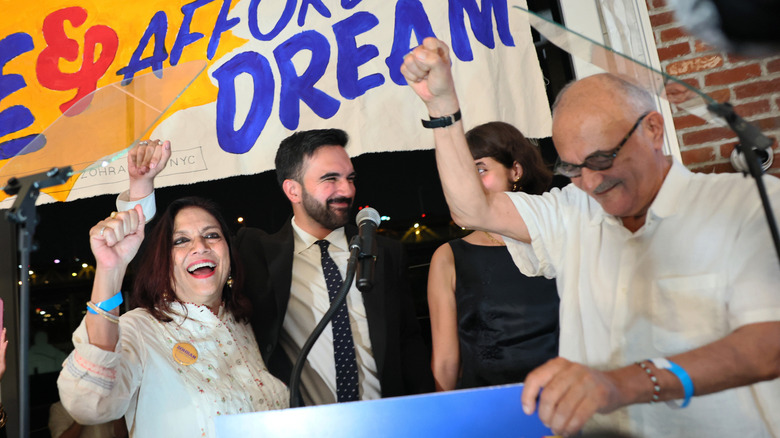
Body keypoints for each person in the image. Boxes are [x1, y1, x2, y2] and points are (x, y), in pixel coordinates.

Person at [401, 37, 780, 437]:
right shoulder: (571, 210)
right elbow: (471, 209)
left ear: (653, 129)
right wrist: (442, 108)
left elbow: (767, 343)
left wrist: (625, 383)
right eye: (574, 168)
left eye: (602, 159)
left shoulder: (748, 205)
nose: (593, 182)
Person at [118, 133, 434, 406]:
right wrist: (141, 188)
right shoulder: (256, 253)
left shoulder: (385, 253)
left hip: (390, 421)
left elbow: (410, 346)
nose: (346, 190)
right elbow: (162, 257)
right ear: (292, 190)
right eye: (330, 179)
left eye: (350, 178)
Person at [57, 197, 288, 437]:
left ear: (229, 253)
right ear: (163, 263)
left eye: (212, 235)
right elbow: (89, 405)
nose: (200, 246)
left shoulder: (251, 324)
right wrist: (110, 270)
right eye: (181, 240)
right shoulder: (140, 328)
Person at [427, 121, 559, 391]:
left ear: (516, 171)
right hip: (488, 406)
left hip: (566, 399)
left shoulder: (559, 235)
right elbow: (445, 362)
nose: (470, 183)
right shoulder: (449, 257)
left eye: (480, 169)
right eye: (464, 173)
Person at [49, 401, 127, 438]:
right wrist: (83, 414)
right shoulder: (58, 408)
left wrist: (115, 408)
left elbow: (122, 434)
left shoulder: (107, 402)